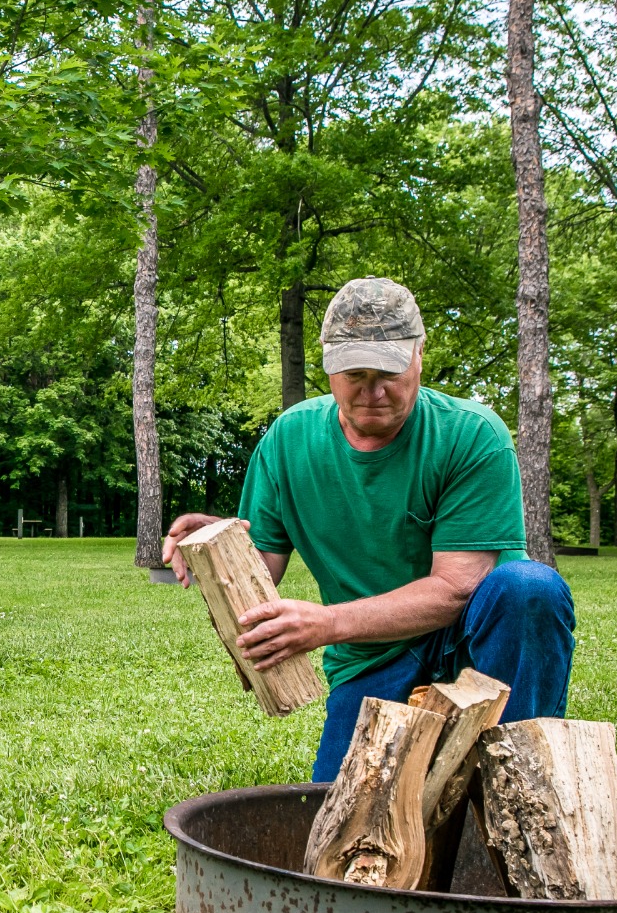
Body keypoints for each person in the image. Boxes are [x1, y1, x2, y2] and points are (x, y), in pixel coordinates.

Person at [163, 278, 575, 782]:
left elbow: (454, 590)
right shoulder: (287, 441)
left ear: (420, 355)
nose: (373, 391)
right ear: (328, 366)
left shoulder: (472, 435)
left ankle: (516, 778)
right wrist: (219, 549)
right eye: (355, 373)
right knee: (338, 817)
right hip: (371, 657)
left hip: (478, 638)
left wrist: (326, 624)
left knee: (531, 589)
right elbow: (258, 580)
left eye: (389, 372)